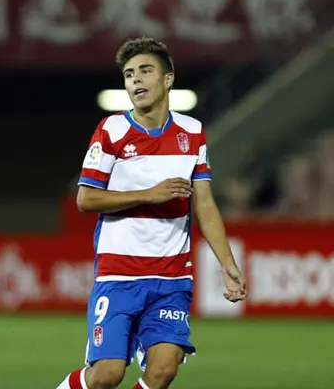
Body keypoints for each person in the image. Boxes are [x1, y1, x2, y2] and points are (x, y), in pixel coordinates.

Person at [55, 38, 247, 389]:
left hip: (172, 279)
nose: (135, 81)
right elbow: (85, 199)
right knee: (106, 376)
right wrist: (149, 194)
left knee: (163, 371)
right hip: (119, 276)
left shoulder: (193, 133)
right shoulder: (112, 130)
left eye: (145, 71)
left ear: (168, 80)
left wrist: (227, 263)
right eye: (129, 75)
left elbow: (204, 203)